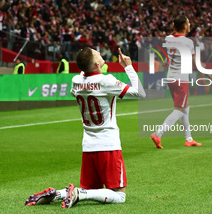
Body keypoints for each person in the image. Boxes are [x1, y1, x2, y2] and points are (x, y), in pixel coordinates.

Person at [25, 47, 145, 209]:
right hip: (108, 145)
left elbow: (81, 82)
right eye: (98, 54)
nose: (101, 54)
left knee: (91, 188)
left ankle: (57, 193)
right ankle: (80, 194)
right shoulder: (106, 81)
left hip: (88, 146)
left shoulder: (76, 81)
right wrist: (128, 67)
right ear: (96, 64)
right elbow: (140, 93)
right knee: (119, 195)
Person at [150, 15, 202, 148]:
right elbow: (194, 62)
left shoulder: (168, 39)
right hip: (181, 79)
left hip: (171, 77)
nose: (190, 24)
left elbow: (173, 35)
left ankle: (189, 139)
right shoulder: (188, 42)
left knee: (185, 107)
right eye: (188, 22)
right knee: (179, 109)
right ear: (184, 26)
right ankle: (158, 133)